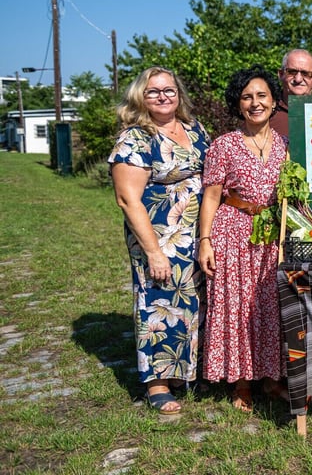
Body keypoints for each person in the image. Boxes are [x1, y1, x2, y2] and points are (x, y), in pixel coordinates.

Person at [109, 66, 210, 415]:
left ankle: (186, 372)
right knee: (158, 303)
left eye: (169, 90)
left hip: (197, 235)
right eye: (154, 91)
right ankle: (158, 382)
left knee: (194, 304)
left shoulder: (195, 129)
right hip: (160, 238)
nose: (163, 96)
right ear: (141, 97)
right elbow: (128, 199)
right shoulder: (135, 139)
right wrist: (153, 251)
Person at [198, 65, 289, 413]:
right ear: (238, 105)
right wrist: (205, 240)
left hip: (272, 235)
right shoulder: (224, 145)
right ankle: (241, 382)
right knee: (237, 308)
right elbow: (211, 195)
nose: (255, 103)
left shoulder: (285, 145)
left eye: (262, 96)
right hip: (233, 231)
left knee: (270, 307)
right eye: (247, 97)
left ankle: (271, 377)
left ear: (273, 101)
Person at [269, 48, 312, 226]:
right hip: (275, 212)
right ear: (281, 74)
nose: (298, 79)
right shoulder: (266, 113)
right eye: (292, 72)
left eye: (305, 73)